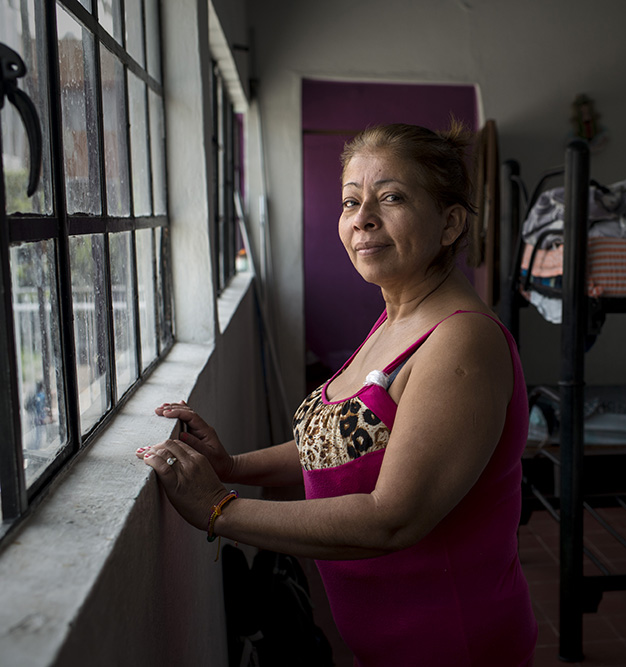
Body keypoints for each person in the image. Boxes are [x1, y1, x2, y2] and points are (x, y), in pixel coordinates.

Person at [137, 122, 538, 666]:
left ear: (450, 223)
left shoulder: (460, 341)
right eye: (351, 202)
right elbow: (342, 444)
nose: (363, 218)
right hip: (387, 643)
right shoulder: (395, 317)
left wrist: (219, 510)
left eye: (391, 197)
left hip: (451, 640)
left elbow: (392, 517)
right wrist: (232, 466)